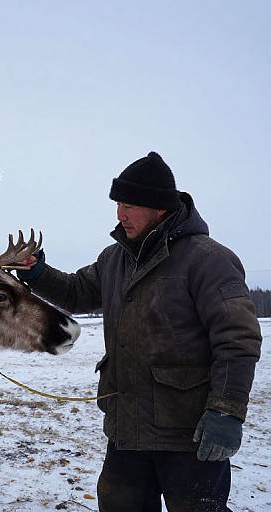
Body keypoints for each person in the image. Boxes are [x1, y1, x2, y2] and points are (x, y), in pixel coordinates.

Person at [17, 152, 261, 512]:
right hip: (127, 430)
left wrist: (226, 410)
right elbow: (76, 292)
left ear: (159, 208)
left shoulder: (208, 260)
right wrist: (37, 272)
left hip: (189, 434)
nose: (120, 214)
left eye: (129, 204)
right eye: (118, 204)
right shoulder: (114, 259)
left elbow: (237, 340)